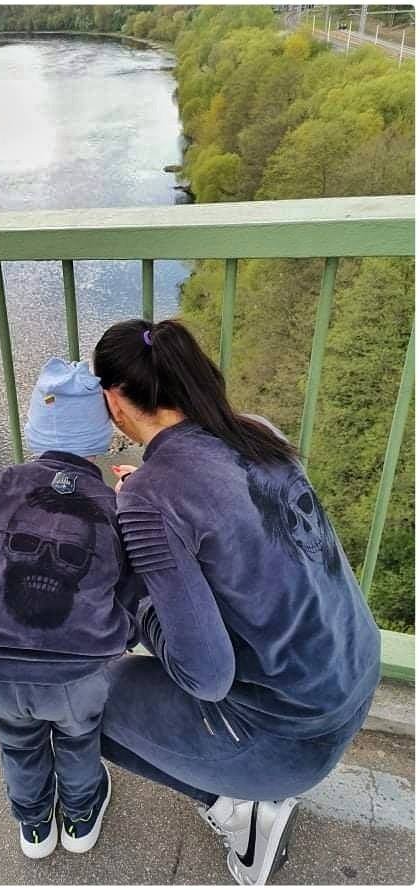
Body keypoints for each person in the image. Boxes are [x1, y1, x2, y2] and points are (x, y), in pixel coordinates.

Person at [92, 318, 381, 886]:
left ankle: (240, 811)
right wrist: (149, 498)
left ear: (114, 400)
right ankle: (247, 790)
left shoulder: (150, 498)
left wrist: (138, 592)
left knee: (78, 701)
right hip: (350, 681)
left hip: (291, 739)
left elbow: (205, 676)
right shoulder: (255, 432)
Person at [0, 357, 141, 860]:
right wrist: (119, 635)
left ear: (36, 427)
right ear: (102, 434)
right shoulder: (114, 506)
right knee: (79, 741)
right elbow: (135, 580)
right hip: (77, 671)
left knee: (18, 746)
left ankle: (35, 827)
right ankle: (80, 818)